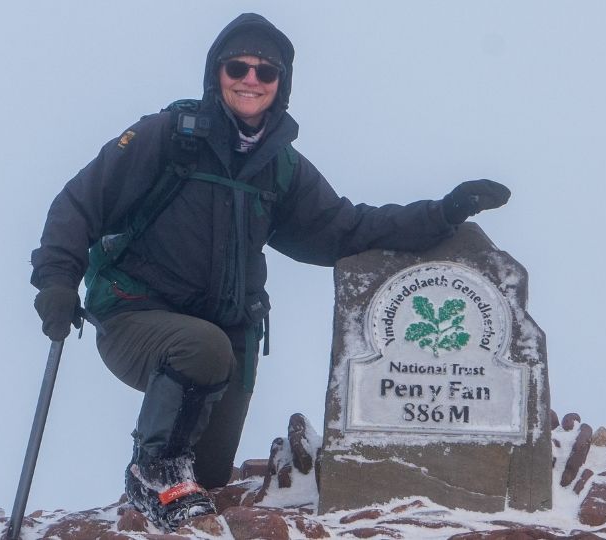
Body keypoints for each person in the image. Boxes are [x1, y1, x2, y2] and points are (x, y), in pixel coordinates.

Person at [30, 13, 510, 531]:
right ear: (216, 73)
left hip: (229, 343)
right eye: (238, 66)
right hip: (134, 315)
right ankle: (153, 471)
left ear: (282, 84)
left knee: (207, 481)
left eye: (266, 71)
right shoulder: (167, 136)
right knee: (199, 356)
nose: (250, 79)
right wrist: (56, 280)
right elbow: (79, 203)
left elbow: (345, 228)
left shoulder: (279, 168)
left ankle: (168, 487)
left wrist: (442, 213)